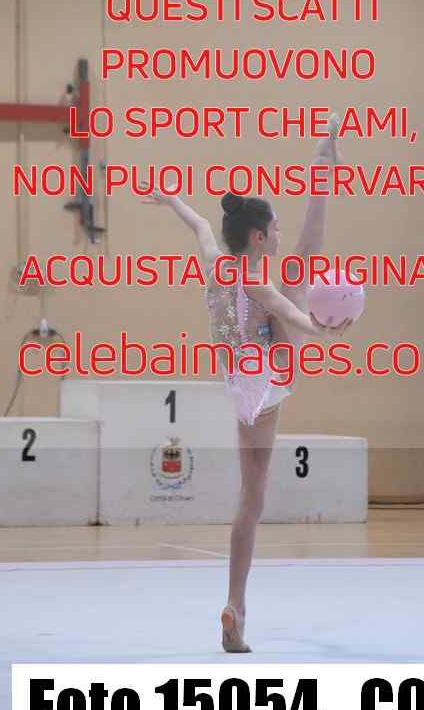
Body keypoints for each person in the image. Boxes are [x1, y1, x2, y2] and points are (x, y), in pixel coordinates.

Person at [140, 114, 353, 652]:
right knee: (301, 271)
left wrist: (173, 201)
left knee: (250, 500)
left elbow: (201, 227)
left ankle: (236, 605)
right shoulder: (257, 280)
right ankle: (321, 169)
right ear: (258, 237)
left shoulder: (217, 264)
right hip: (266, 376)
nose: (278, 233)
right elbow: (289, 311)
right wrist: (323, 329)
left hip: (242, 385)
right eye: (274, 228)